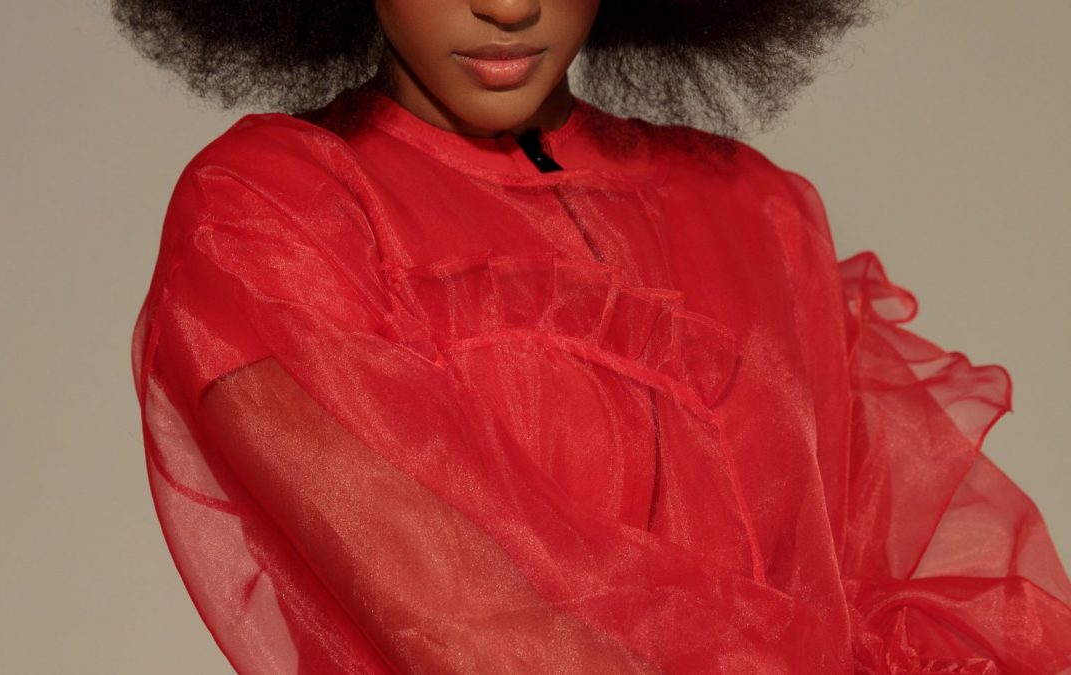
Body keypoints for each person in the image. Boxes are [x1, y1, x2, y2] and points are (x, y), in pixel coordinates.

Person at [115, 0, 1071, 672]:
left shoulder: (758, 212)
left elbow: (881, 581)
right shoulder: (276, 212)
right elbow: (462, 614)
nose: (508, 7)